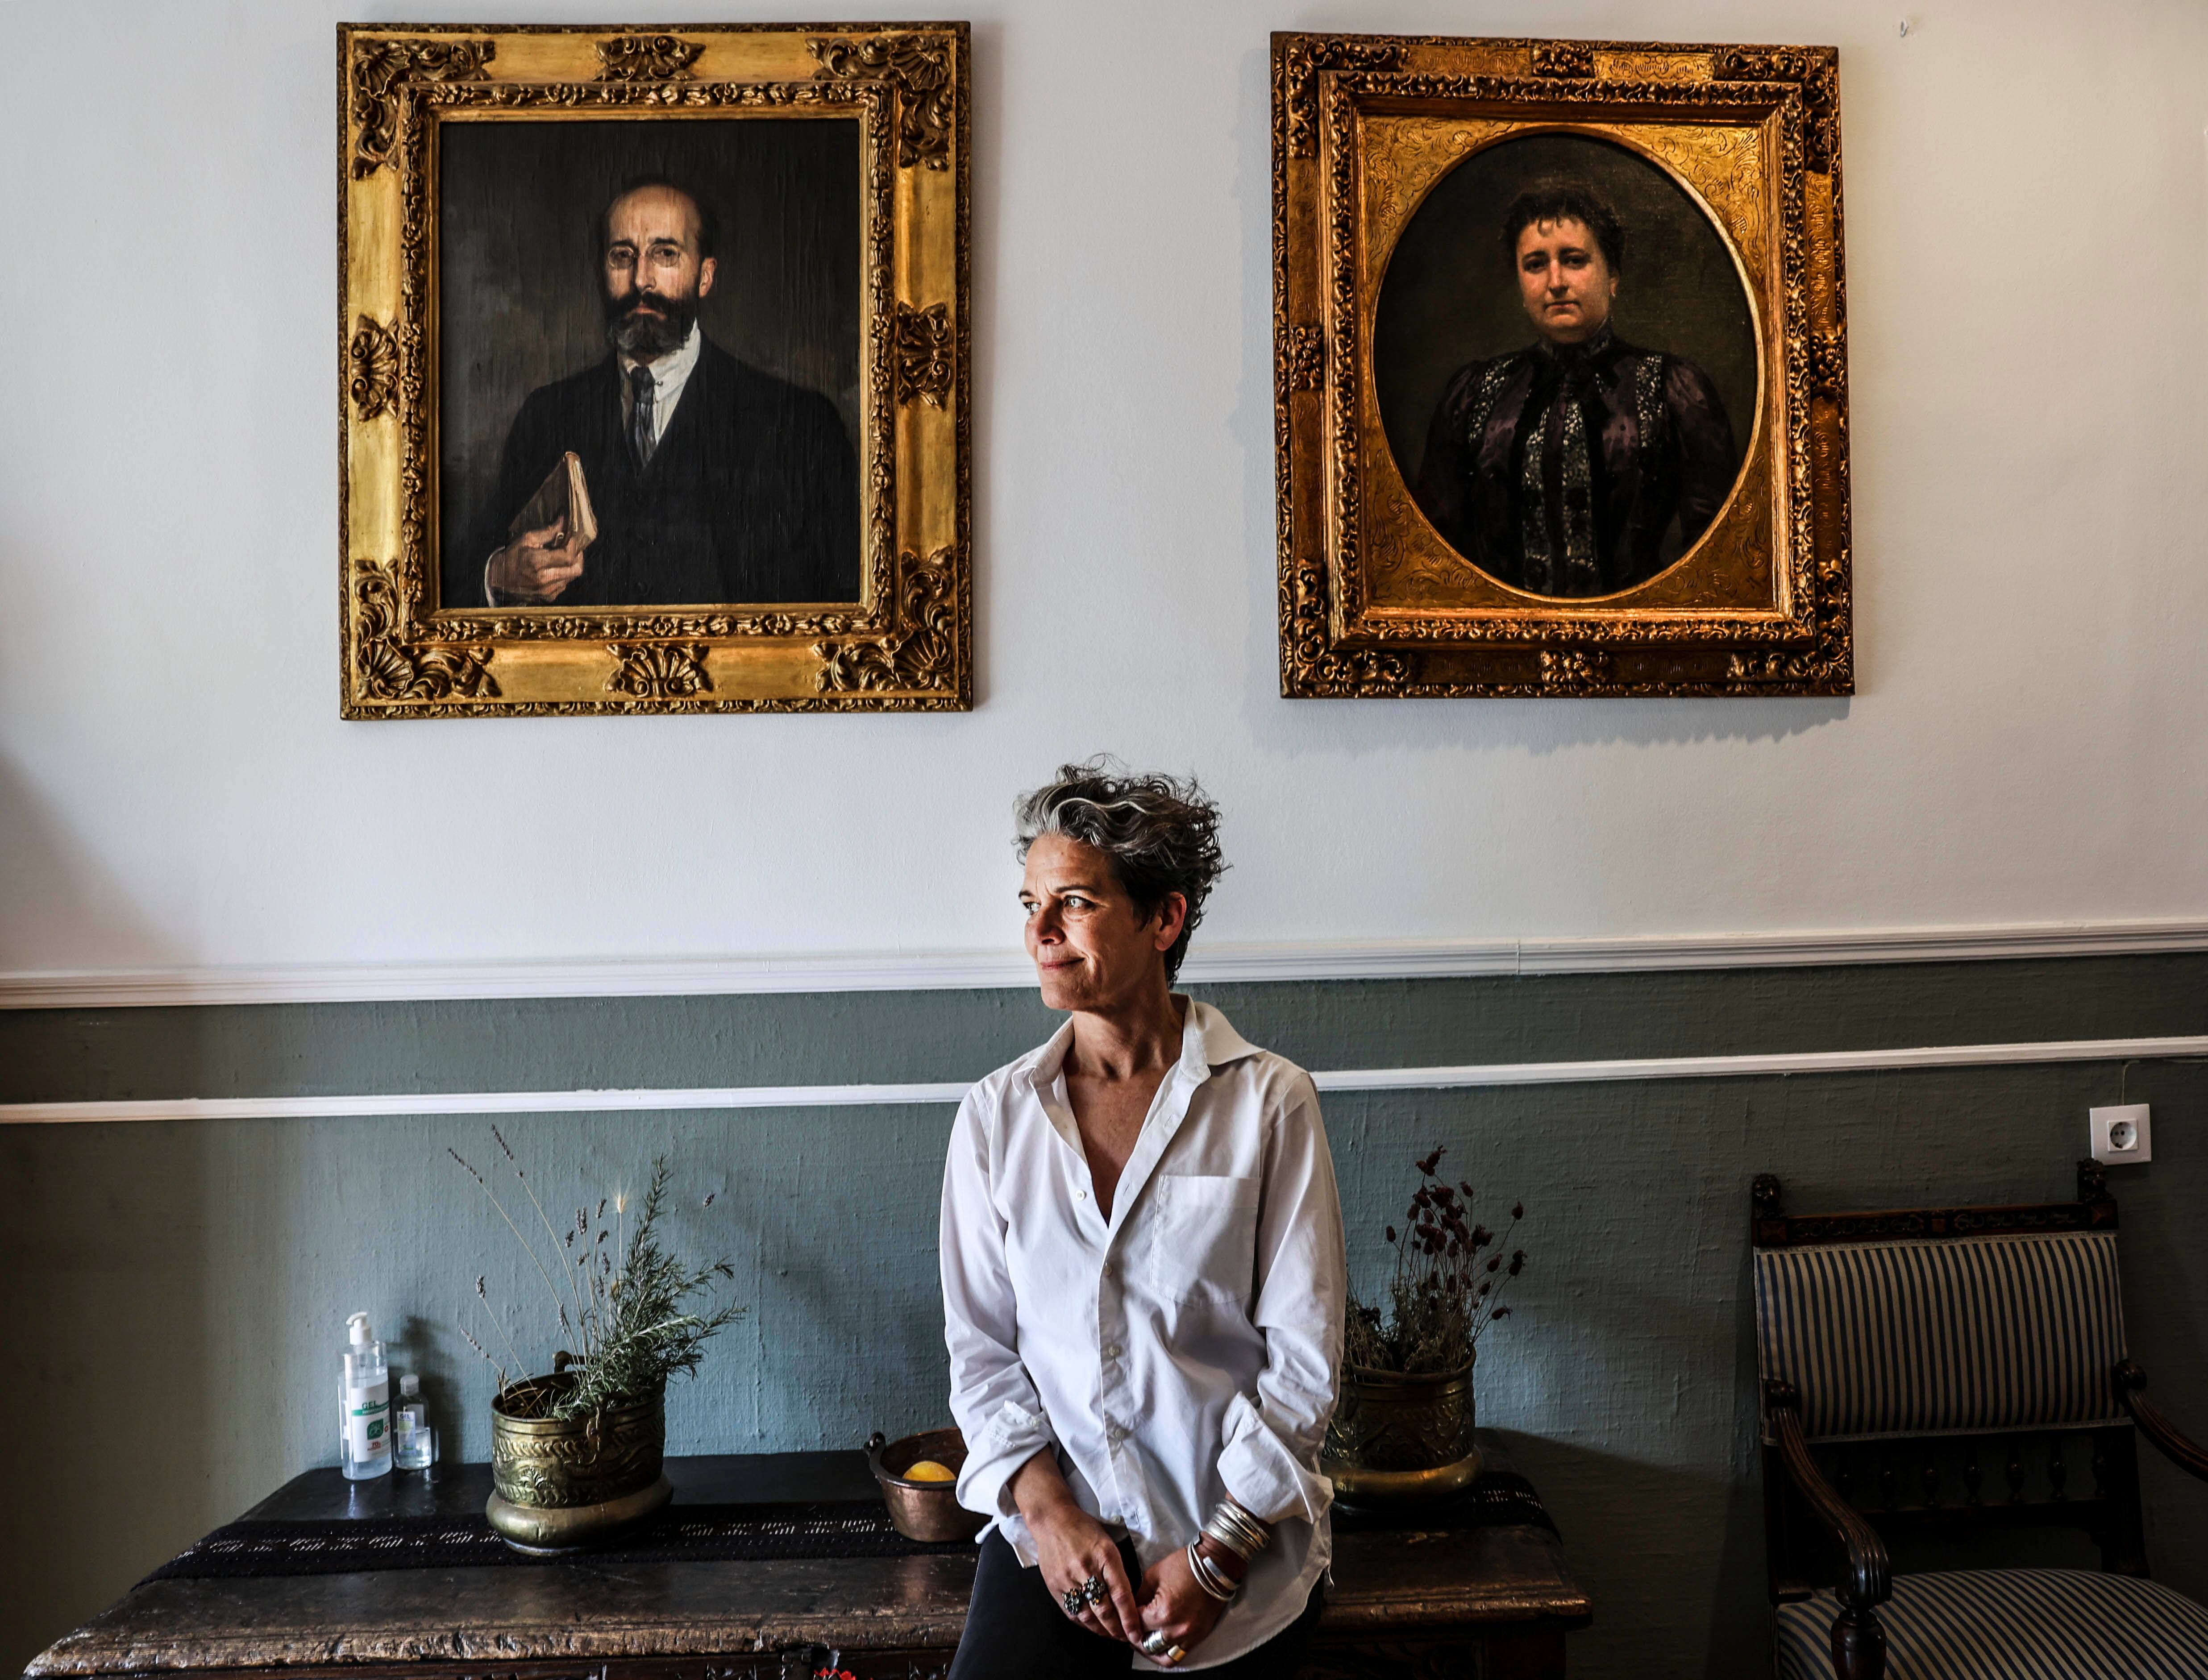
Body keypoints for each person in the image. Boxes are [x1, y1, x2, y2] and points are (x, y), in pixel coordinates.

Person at [939, 761, 1346, 1677]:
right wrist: (1048, 1517)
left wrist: (1219, 1553)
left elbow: (1305, 1363)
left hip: (1239, 1553)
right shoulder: (994, 1118)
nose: (1039, 932)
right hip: (1055, 1548)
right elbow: (983, 1353)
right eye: (1030, 903)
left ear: (1162, 918)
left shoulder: (1269, 1103)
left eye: (1073, 902)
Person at [453, 178, 860, 609]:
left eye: (666, 254)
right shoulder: (546, 415)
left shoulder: (800, 424)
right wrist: (499, 575)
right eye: (622, 256)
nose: (641, 280)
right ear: (600, 272)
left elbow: (844, 609)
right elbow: (452, 582)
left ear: (705, 276)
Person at [1412, 181, 1738, 597]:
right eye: (1535, 264)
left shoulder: (1671, 388)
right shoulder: (1477, 393)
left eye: (1573, 260)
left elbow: (1719, 556)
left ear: (1613, 276)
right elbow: (1434, 553)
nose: (1555, 282)